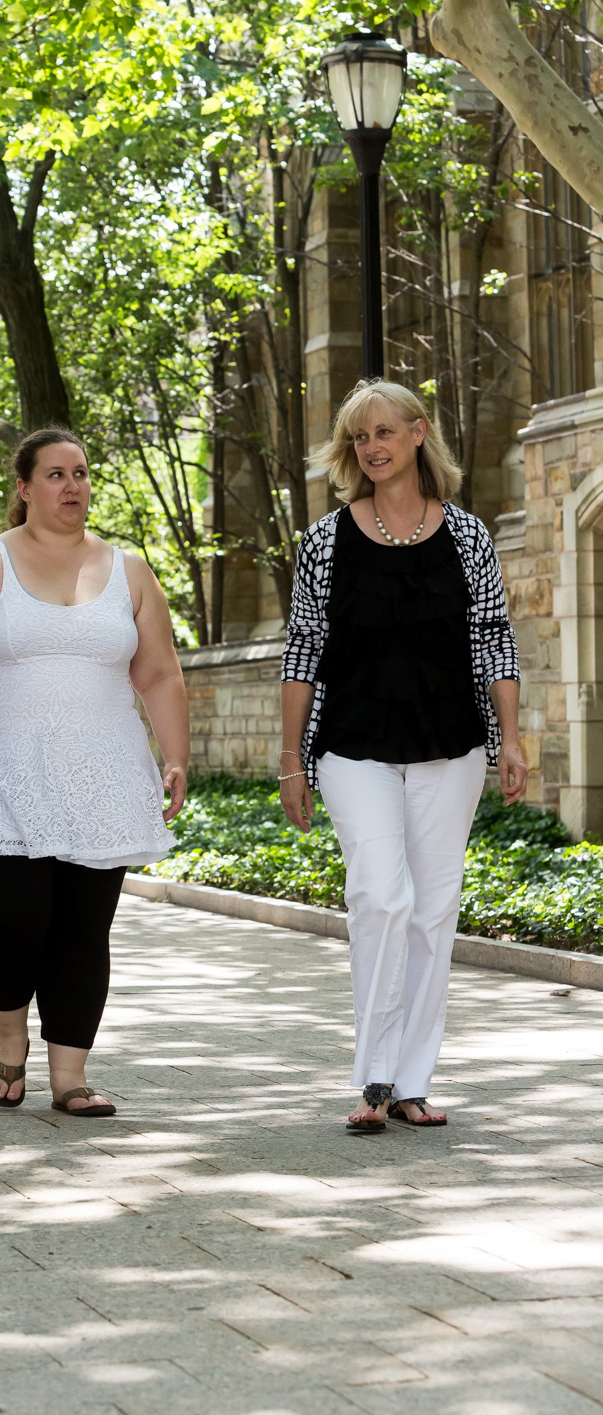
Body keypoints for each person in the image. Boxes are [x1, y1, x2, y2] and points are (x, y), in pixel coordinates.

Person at [279, 380, 526, 1133]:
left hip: (450, 747)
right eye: (360, 437)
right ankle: (373, 1077)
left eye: (385, 431)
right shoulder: (325, 542)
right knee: (381, 897)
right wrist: (292, 761)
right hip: (353, 747)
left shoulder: (468, 536)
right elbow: (302, 654)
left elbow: (493, 639)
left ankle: (411, 1080)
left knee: (432, 911)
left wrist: (510, 739)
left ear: (419, 434)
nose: (372, 447)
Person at [0, 427, 190, 1118]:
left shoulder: (129, 571)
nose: (72, 486)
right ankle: (8, 1037)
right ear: (23, 487)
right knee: (13, 920)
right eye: (54, 474)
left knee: (83, 927)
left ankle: (70, 1076)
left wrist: (176, 756)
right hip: (2, 773)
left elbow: (159, 672)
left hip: (103, 775)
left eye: (80, 473)